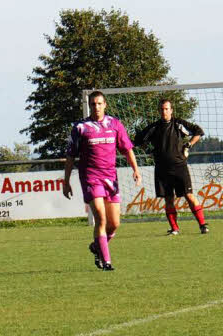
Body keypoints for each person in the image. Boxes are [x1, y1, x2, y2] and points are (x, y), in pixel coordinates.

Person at [62, 91, 142, 270]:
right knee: (100, 217)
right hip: (90, 177)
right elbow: (70, 156)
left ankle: (97, 246)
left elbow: (127, 149)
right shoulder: (80, 127)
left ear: (105, 105)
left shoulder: (114, 124)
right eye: (93, 104)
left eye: (99, 104)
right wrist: (66, 181)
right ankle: (106, 261)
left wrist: (135, 169)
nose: (96, 107)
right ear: (89, 106)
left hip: (110, 178)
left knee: (114, 224)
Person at [133, 98, 209, 235]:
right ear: (159, 111)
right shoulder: (154, 127)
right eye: (162, 109)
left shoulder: (179, 124)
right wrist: (148, 150)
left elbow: (198, 132)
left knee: (189, 196)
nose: (164, 111)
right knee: (168, 199)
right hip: (162, 169)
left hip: (180, 166)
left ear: (171, 110)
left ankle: (203, 225)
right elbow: (138, 140)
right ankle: (174, 228)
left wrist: (189, 145)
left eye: (167, 109)